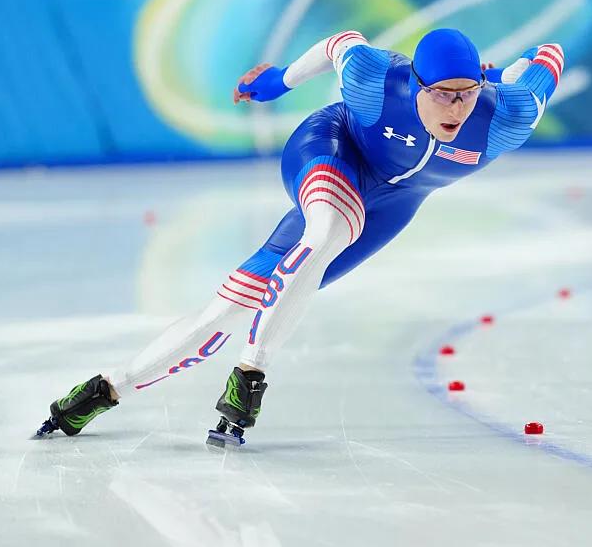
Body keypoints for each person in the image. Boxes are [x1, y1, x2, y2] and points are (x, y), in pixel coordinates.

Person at [36, 28, 564, 443]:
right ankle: (251, 375)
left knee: (234, 307)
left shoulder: (507, 116)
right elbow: (340, 43)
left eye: (466, 95)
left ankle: (103, 391)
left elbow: (549, 54)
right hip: (333, 149)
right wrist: (279, 81)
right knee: (328, 228)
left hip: (396, 203)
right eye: (443, 95)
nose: (456, 109)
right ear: (415, 83)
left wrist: (507, 73)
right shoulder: (377, 81)